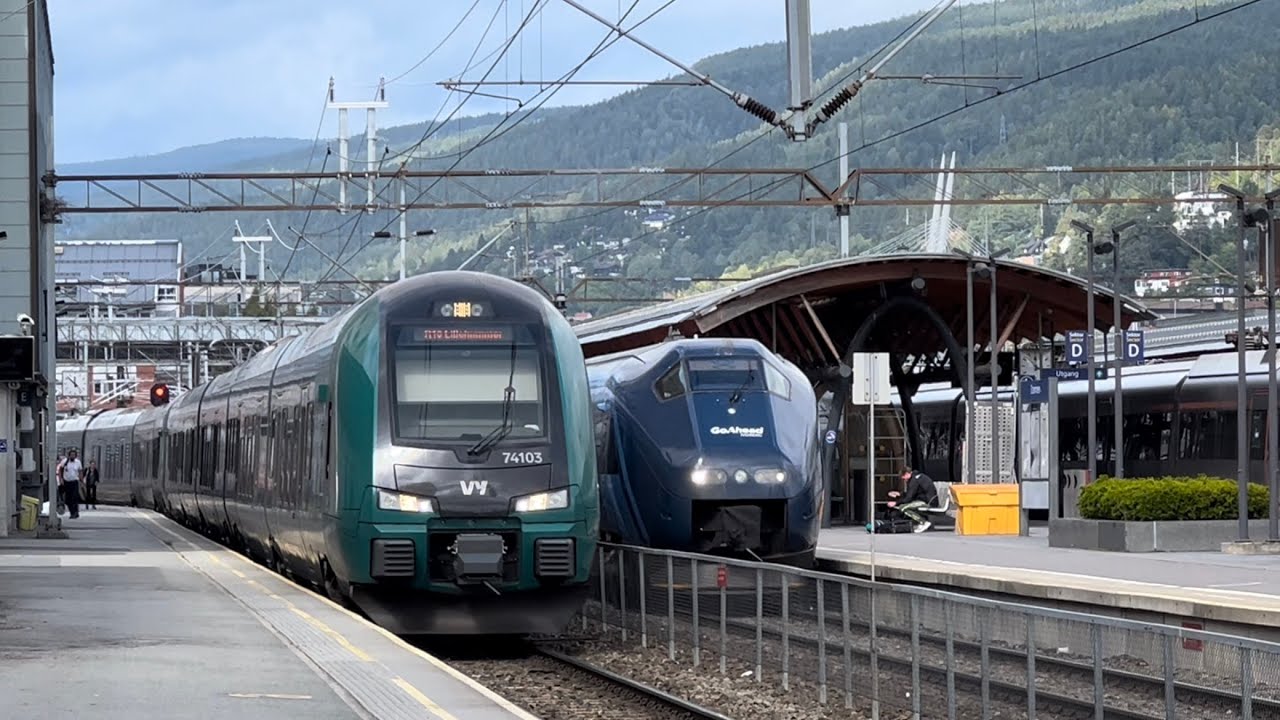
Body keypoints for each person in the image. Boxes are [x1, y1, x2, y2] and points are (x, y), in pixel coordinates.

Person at [888, 467, 938, 533]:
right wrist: (899, 494)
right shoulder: (917, 477)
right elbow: (912, 493)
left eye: (903, 478)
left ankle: (923, 522)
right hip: (929, 500)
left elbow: (909, 498)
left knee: (903, 508)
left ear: (906, 474)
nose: (904, 480)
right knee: (908, 505)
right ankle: (923, 522)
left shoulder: (914, 481)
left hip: (927, 502)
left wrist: (896, 503)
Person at [58, 449, 82, 519]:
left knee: (74, 498)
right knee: (68, 499)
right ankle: (72, 512)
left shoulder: (78, 462)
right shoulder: (64, 462)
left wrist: (81, 480)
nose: (72, 456)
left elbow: (80, 471)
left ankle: (75, 512)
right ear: (69, 455)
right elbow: (60, 470)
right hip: (66, 482)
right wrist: (61, 479)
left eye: (74, 455)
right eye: (71, 455)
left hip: (74, 482)